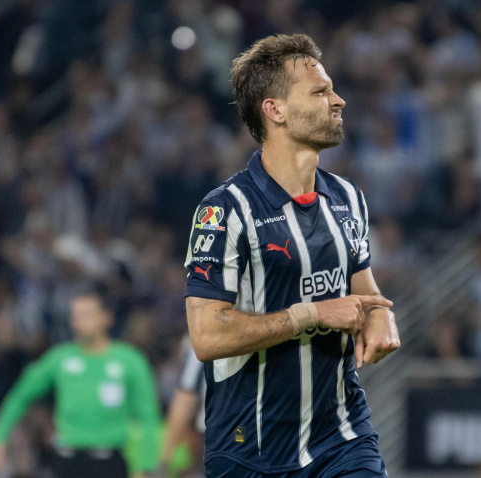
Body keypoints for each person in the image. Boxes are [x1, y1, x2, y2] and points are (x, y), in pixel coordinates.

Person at [184, 33, 399, 477]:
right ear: (274, 109)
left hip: (341, 436)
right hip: (248, 447)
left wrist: (381, 316)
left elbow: (365, 290)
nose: (337, 101)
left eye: (332, 89)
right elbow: (207, 336)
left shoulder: (347, 197)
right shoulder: (224, 210)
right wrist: (314, 314)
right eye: (320, 92)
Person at [0, 291, 161, 478]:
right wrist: (0, 436)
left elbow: (149, 415)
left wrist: (146, 464)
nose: (79, 321)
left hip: (109, 461)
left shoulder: (130, 361)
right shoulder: (60, 358)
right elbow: (21, 395)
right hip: (66, 460)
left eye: (87, 314)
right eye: (75, 315)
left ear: (106, 317)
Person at [159, 337, 206, 476]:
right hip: (223, 432)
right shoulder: (203, 342)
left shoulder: (205, 338)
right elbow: (186, 395)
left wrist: (165, 457)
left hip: (225, 433)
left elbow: (186, 395)